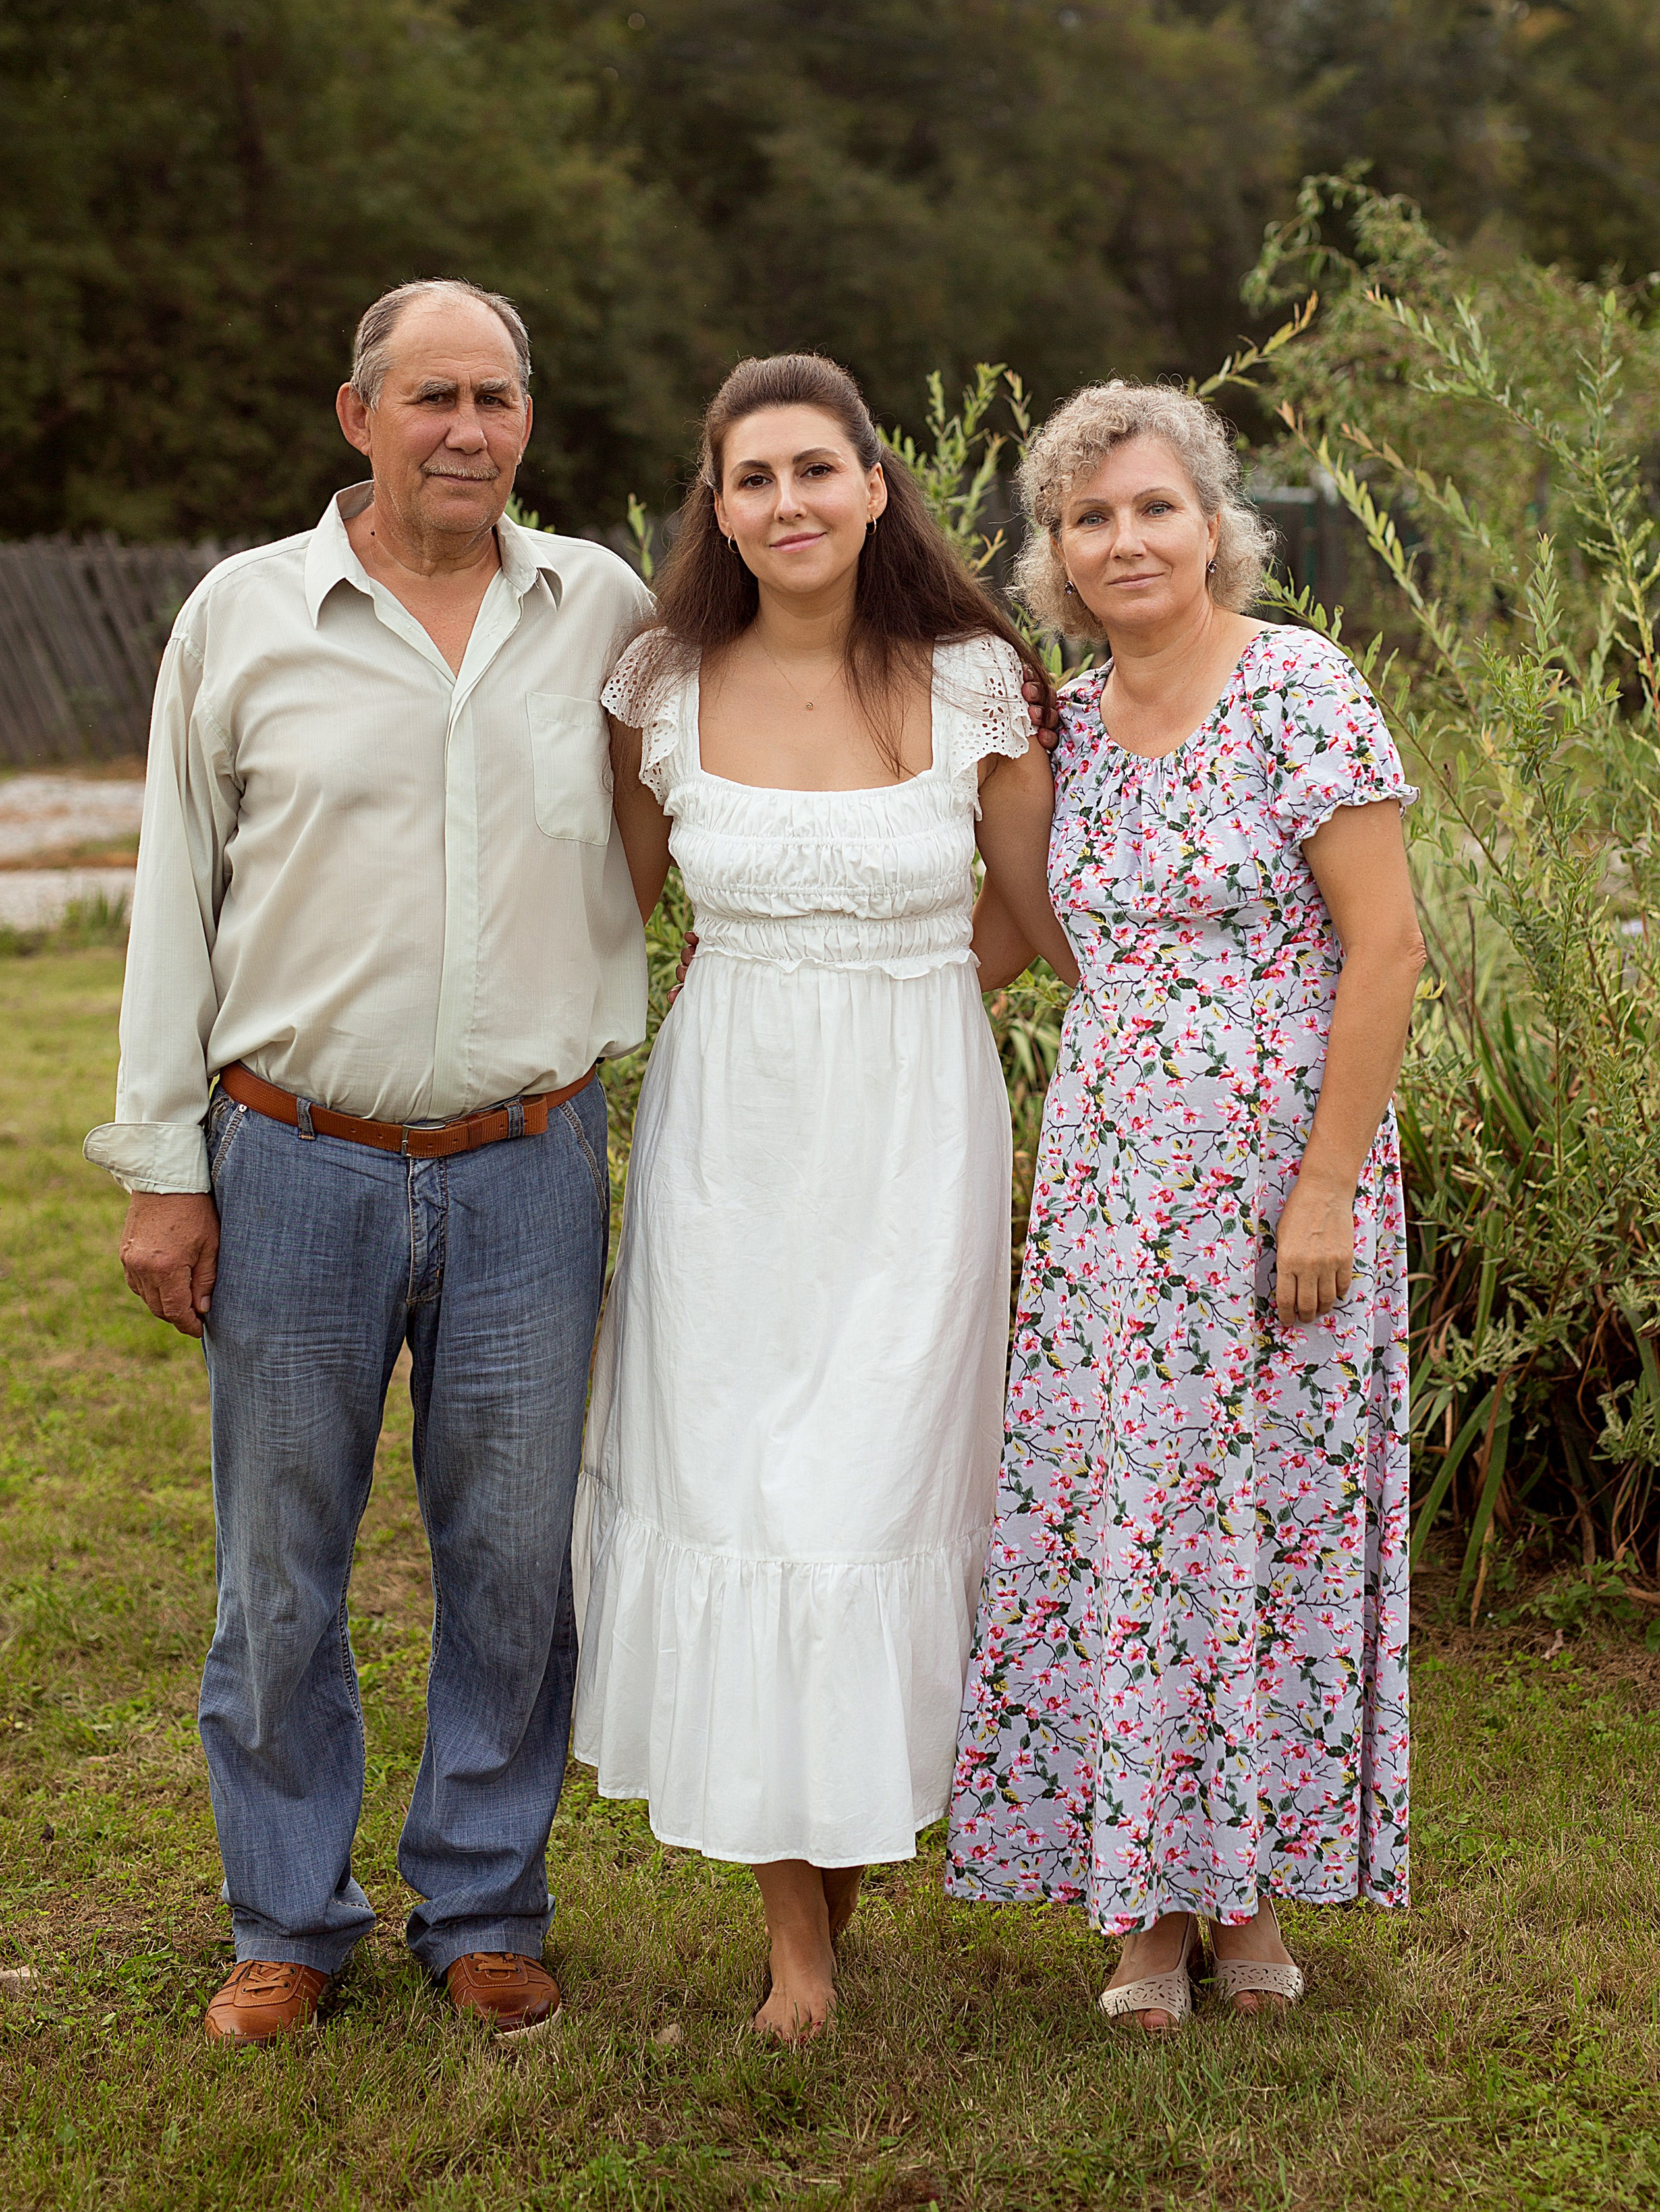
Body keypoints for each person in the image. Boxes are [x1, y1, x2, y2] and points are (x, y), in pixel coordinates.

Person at [85, 279, 655, 2044]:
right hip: (294, 1160)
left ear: (527, 426)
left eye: (495, 398)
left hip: (527, 1164)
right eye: (432, 398)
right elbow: (174, 899)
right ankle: (287, 1922)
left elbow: (708, 804)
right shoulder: (240, 618)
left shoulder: (606, 614)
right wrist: (161, 1167)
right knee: (279, 1561)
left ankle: (484, 1903)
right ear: (359, 417)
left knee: (506, 1559)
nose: (466, 430)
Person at [573, 351, 1076, 2044]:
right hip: (728, 1138)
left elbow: (1038, 916)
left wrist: (912, 992)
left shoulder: (978, 679)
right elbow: (614, 921)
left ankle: (828, 1901)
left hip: (912, 1136)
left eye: (814, 469)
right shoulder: (658, 680)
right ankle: (801, 1953)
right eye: (749, 478)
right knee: (747, 1497)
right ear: (714, 506)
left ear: (875, 484)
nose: (785, 503)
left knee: (864, 1499)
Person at [945, 382, 1425, 2029]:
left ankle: (1252, 1898)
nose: (1124, 539)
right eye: (1088, 517)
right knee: (1126, 1524)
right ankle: (1141, 1905)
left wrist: (1318, 1191)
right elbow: (1022, 943)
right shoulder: (1060, 725)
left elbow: (1388, 947)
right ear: (1054, 554)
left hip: (1281, 1194)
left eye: (1153, 506)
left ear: (1211, 522)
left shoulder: (1297, 685)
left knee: (1265, 1526)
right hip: (1105, 1199)